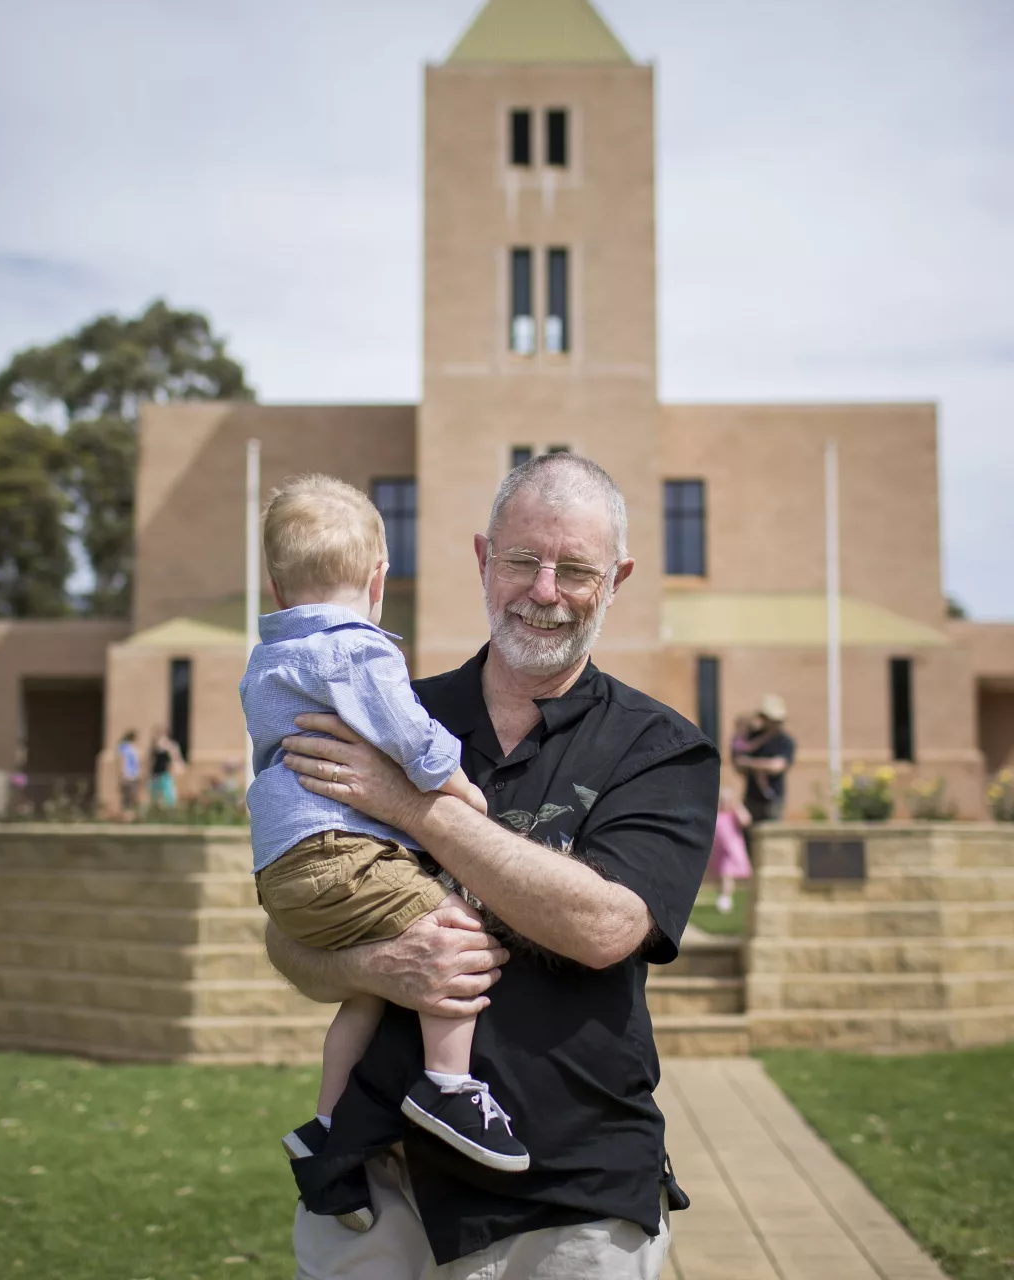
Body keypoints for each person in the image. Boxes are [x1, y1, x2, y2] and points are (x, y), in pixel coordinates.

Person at [266, 453, 718, 1278]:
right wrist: (379, 963)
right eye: (522, 560)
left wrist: (411, 807)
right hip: (382, 1182)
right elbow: (291, 935)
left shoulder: (659, 749)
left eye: (575, 569)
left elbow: (606, 926)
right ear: (482, 558)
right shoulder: (389, 710)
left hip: (574, 1194)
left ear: (614, 580)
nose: (545, 591)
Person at [242, 474, 532, 1225]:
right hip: (344, 855)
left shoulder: (266, 663)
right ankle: (448, 1087)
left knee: (370, 989)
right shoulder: (358, 652)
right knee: (454, 935)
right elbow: (408, 735)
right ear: (379, 581)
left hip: (283, 869)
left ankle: (327, 1133)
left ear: (275, 588)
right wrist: (460, 788)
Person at [733, 694, 795, 825]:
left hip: (773, 802)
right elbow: (738, 764)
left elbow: (777, 766)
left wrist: (750, 763)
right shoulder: (752, 738)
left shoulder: (785, 741)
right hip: (751, 800)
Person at [707, 783, 752, 913]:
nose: (724, 803)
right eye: (722, 800)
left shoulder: (732, 815)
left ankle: (725, 898)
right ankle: (723, 896)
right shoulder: (716, 815)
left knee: (727, 874)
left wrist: (737, 805)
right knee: (720, 876)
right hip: (718, 851)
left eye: (727, 800)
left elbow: (746, 820)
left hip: (731, 850)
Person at [149, 730, 179, 809]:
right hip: (155, 774)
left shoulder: (168, 749)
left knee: (168, 795)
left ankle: (169, 810)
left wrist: (173, 773)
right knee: (155, 794)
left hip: (165, 775)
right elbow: (150, 762)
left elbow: (172, 762)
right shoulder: (153, 749)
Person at [116, 729, 141, 819]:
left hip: (134, 776)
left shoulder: (132, 748)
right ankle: (126, 817)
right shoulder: (125, 748)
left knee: (132, 798)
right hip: (128, 776)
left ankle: (130, 817)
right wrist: (122, 775)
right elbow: (122, 762)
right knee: (127, 799)